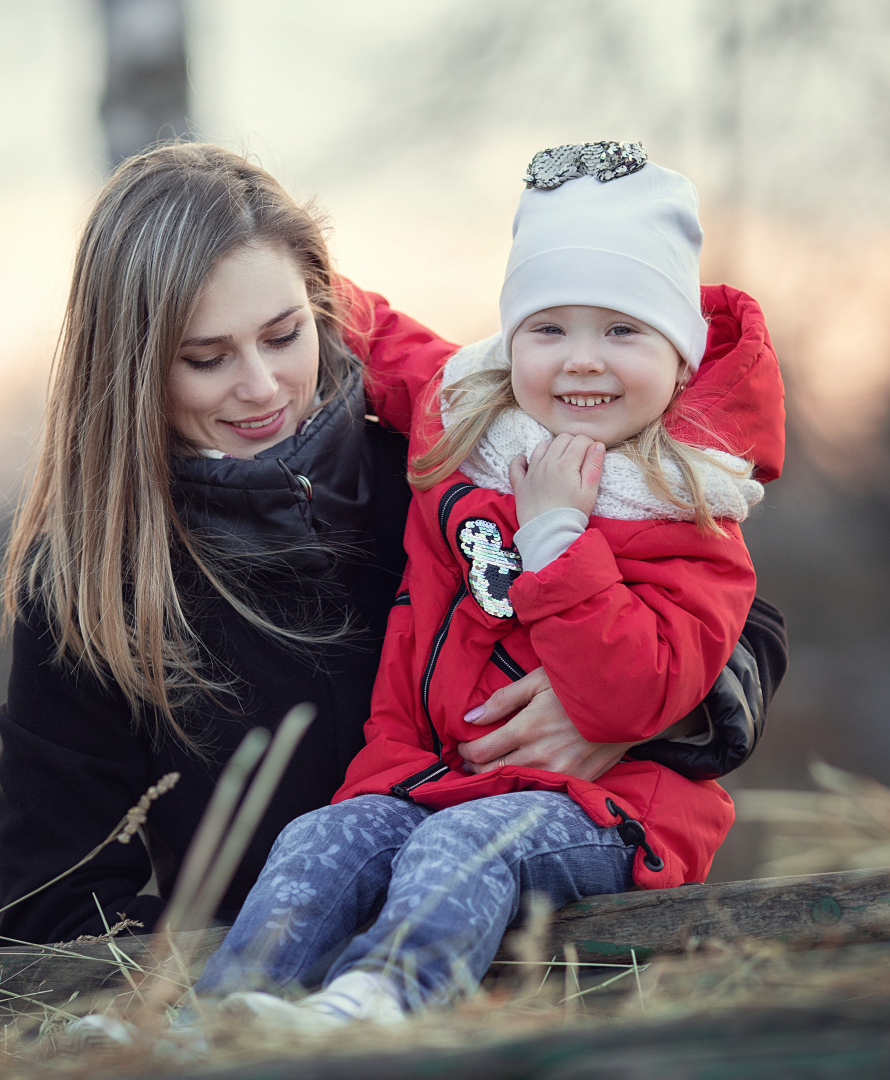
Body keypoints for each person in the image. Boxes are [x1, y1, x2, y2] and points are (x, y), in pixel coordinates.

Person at [0, 142, 787, 949]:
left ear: (322, 313)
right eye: (206, 359)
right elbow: (53, 913)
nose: (261, 387)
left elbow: (745, 626)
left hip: (549, 972)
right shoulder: (89, 583)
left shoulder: (438, 467)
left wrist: (618, 715)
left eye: (281, 336)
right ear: (130, 371)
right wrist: (292, 954)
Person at [189, 141, 785, 1026]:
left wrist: (555, 536)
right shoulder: (473, 421)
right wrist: (252, 249)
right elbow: (374, 334)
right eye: (549, 329)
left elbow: (637, 690)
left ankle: (383, 998)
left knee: (468, 843)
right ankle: (221, 1016)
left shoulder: (688, 511)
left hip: (604, 812)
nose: (582, 359)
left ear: (682, 356)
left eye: (621, 329)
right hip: (426, 776)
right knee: (320, 835)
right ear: (511, 345)